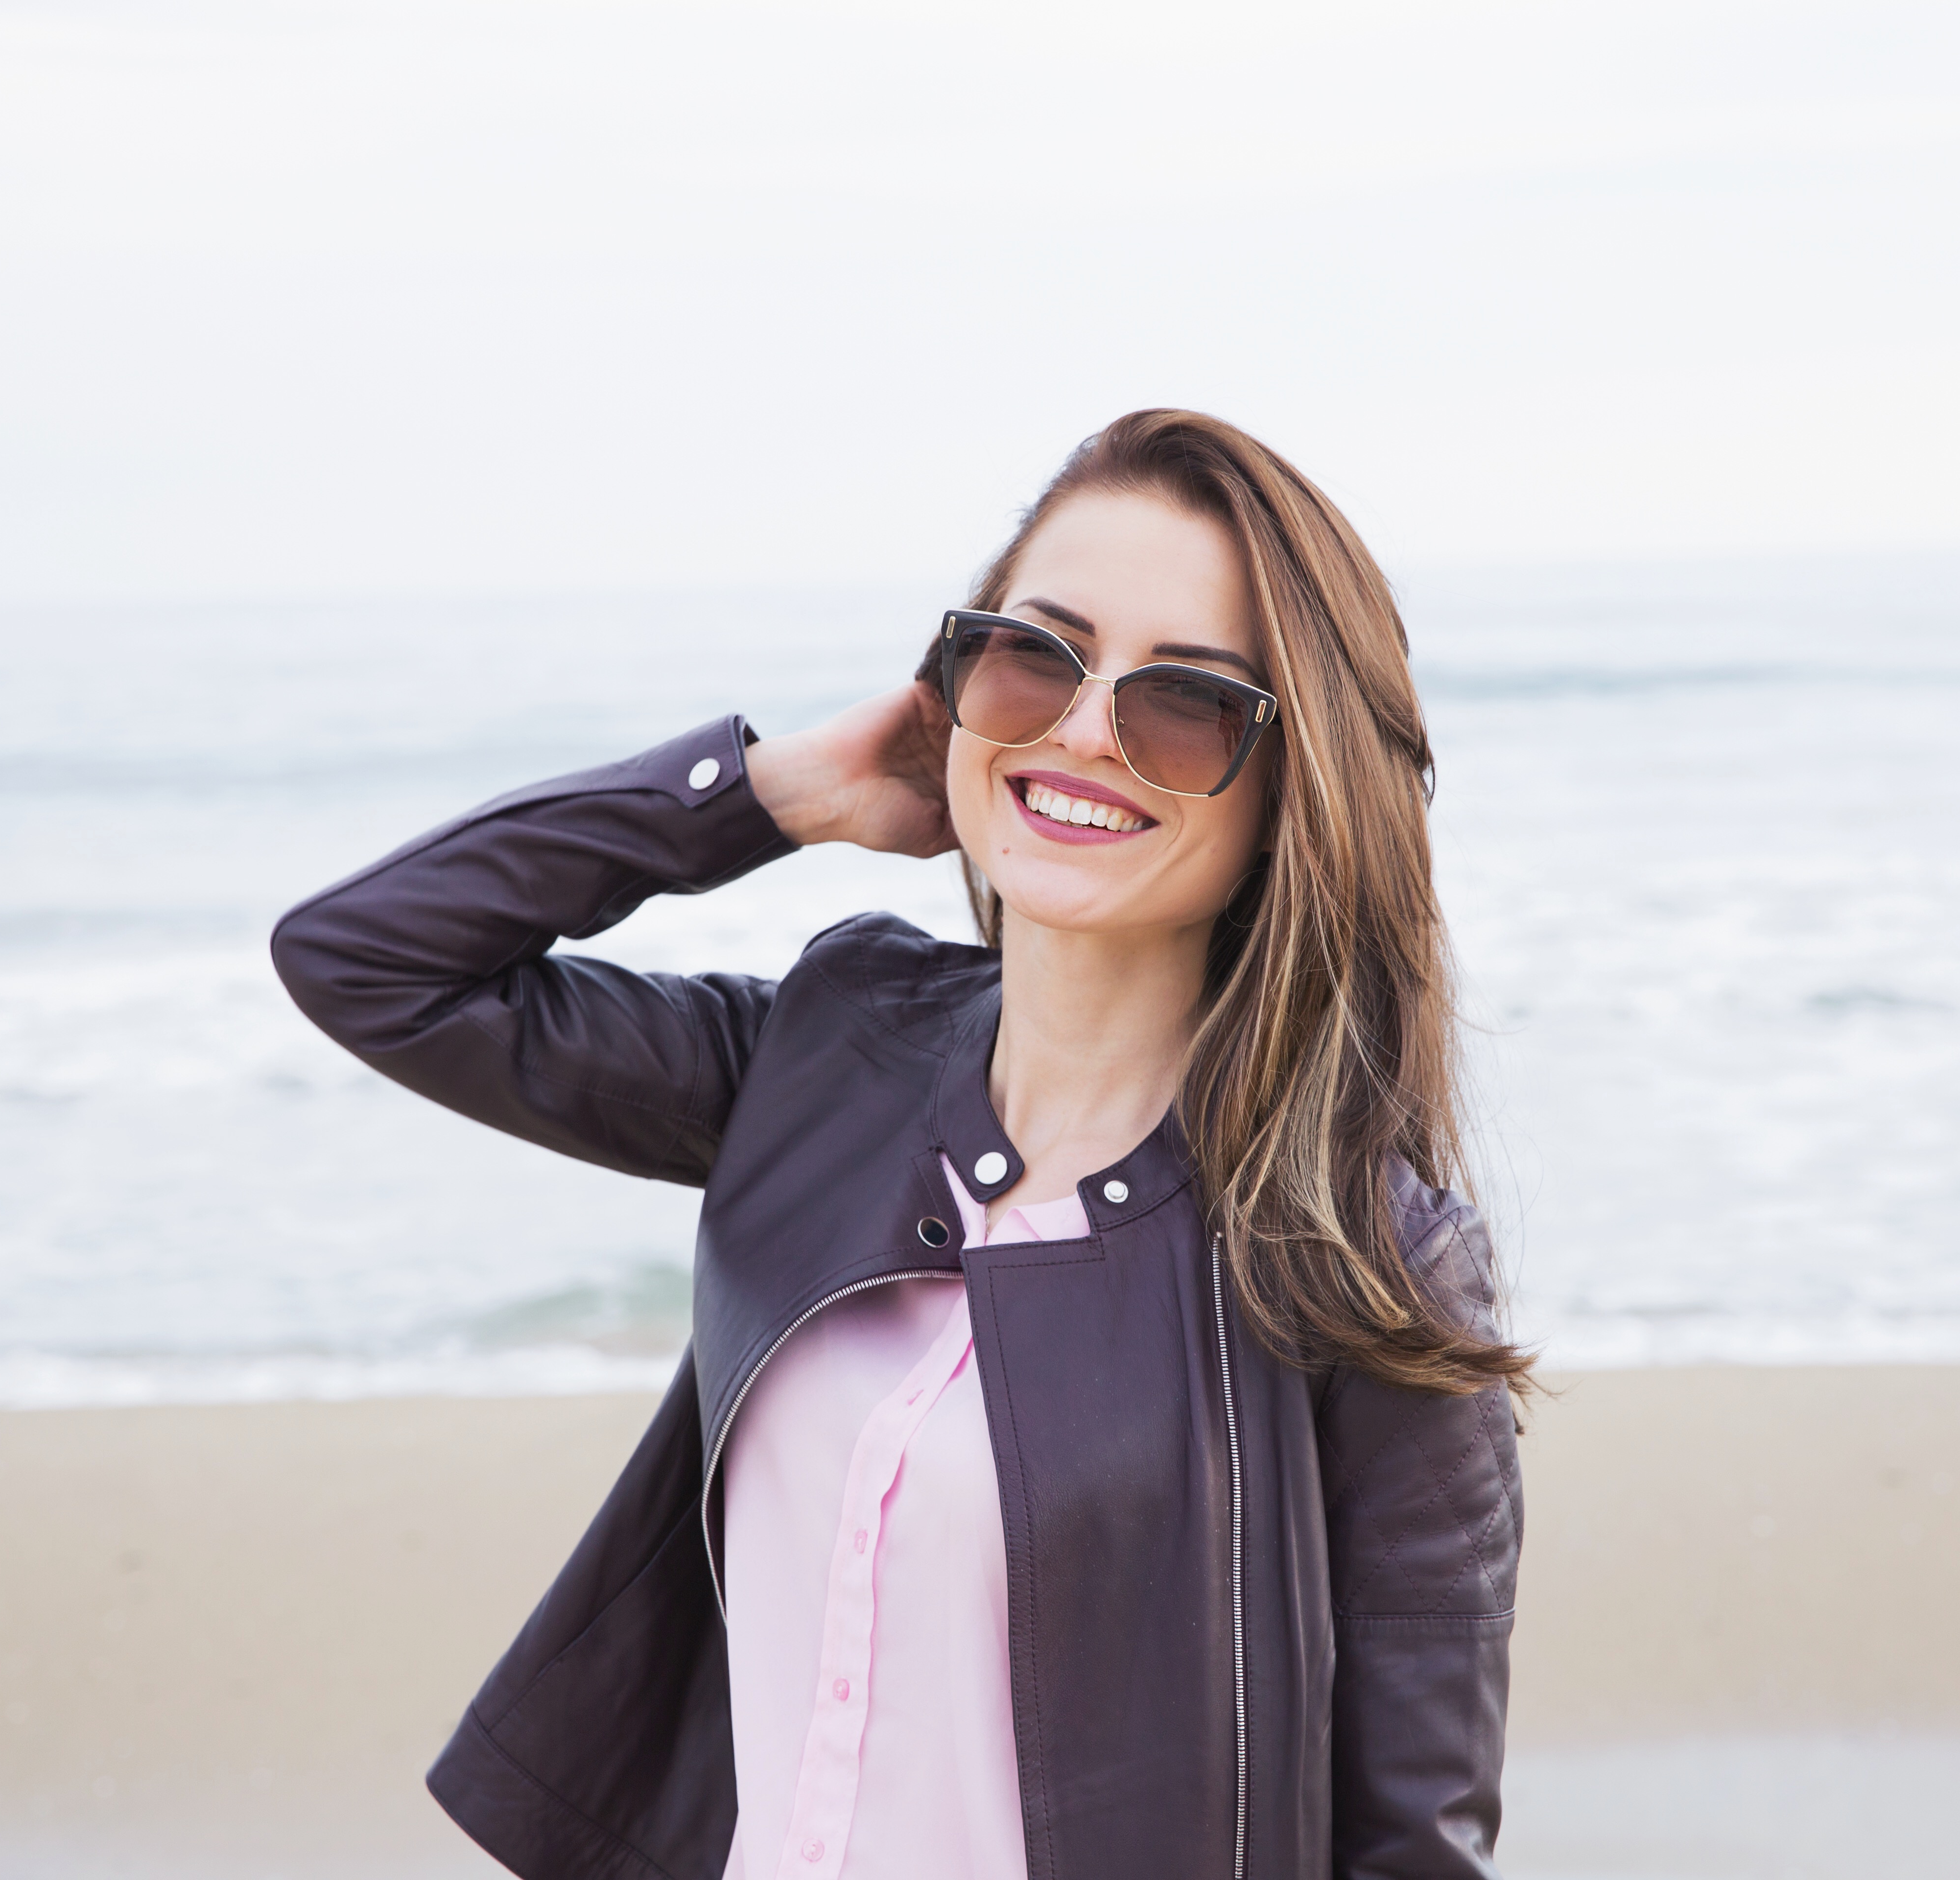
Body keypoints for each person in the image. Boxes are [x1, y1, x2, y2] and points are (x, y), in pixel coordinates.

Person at [272, 408, 1529, 1880]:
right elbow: (371, 961)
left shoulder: (1368, 1262)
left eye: (1187, 702)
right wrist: (770, 794)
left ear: (1291, 786)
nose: (1083, 732)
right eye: (1033, 658)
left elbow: (1413, 1845)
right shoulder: (832, 1057)